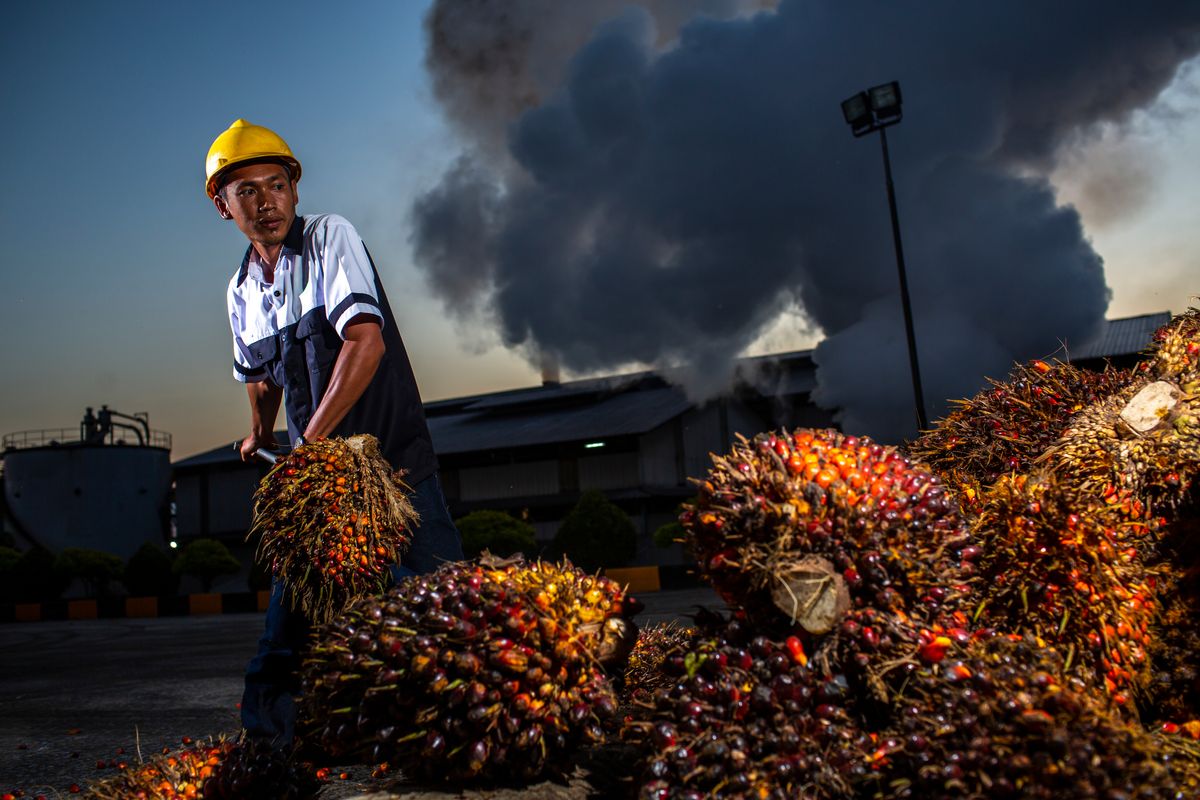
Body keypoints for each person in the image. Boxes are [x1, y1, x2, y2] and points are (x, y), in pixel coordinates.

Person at [204, 118, 464, 747]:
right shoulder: (241, 290)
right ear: (222, 205)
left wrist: (308, 449)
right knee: (287, 633)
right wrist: (258, 429)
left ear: (294, 188)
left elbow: (364, 342)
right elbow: (259, 375)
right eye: (247, 192)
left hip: (391, 468)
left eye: (276, 185)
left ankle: (473, 731)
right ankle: (271, 753)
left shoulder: (328, 239)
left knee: (449, 610)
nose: (266, 202)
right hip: (318, 491)